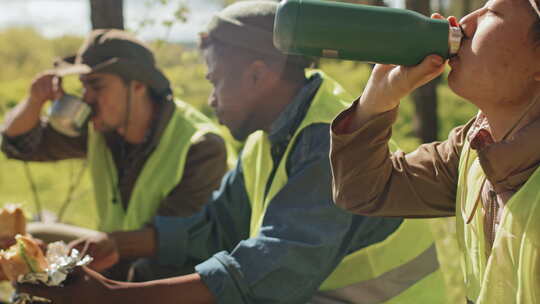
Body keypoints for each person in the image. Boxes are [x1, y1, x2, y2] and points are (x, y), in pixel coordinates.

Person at [18, 1, 446, 303]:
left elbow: (266, 275)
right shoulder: (267, 137)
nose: (210, 98)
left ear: (258, 75)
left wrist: (115, 296)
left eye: (215, 79)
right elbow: (214, 227)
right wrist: (117, 243)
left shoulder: (326, 140)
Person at [330, 0, 540, 303]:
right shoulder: (474, 147)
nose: (463, 23)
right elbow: (363, 190)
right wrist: (377, 101)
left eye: (492, 13)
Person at [0, 29, 229, 280]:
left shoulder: (201, 145)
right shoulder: (101, 128)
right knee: (27, 239)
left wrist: (96, 254)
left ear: (139, 85)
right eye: (84, 87)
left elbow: (171, 238)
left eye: (96, 86)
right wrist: (35, 100)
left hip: (172, 274)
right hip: (113, 252)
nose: (86, 98)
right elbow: (18, 144)